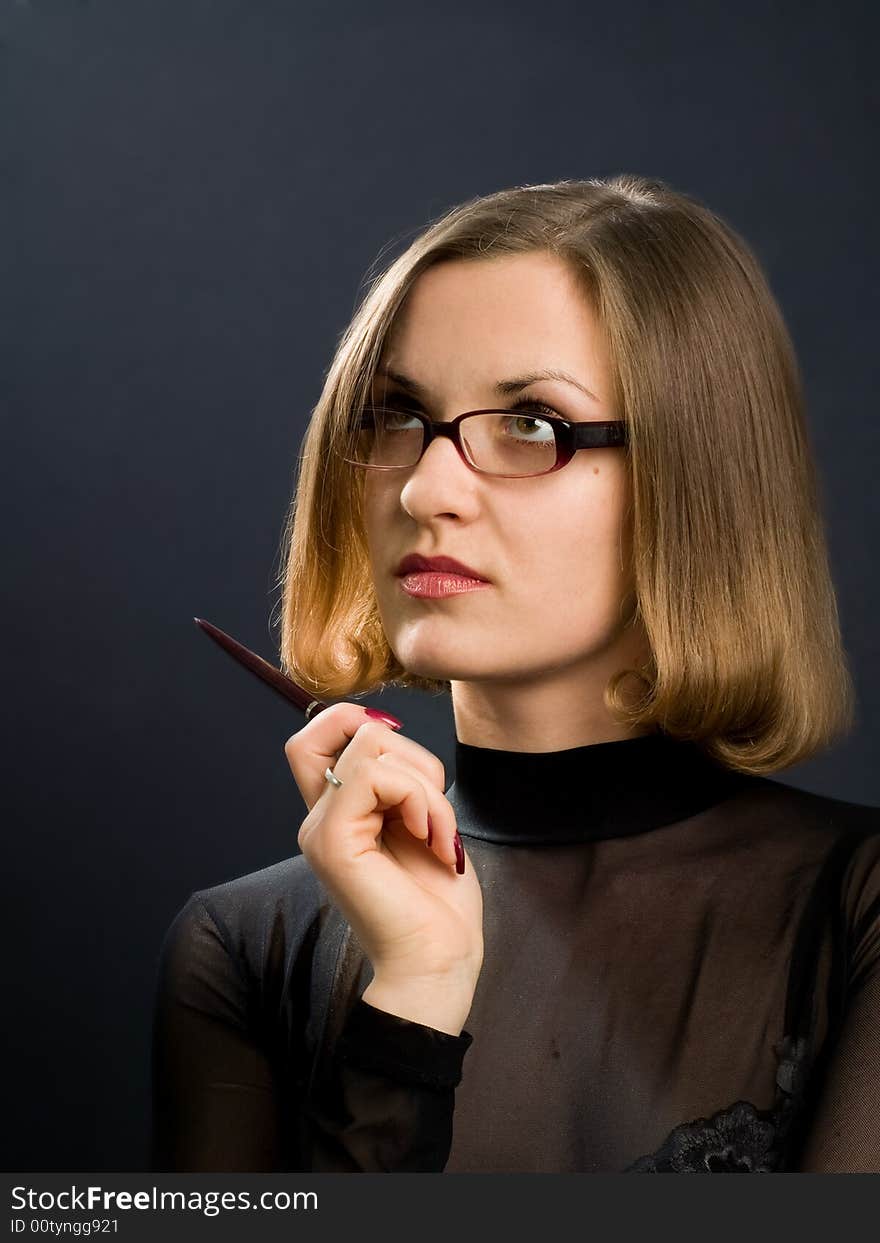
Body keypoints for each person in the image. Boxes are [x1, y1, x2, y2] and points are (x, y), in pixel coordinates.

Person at [150, 176, 880, 1173]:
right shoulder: (245, 945)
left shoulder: (857, 911)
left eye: (531, 424)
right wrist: (412, 997)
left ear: (694, 476)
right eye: (393, 415)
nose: (423, 486)